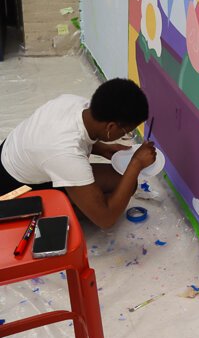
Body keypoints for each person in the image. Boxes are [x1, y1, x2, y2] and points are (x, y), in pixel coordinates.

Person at [0, 78, 156, 229]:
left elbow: (63, 135)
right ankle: (37, 217)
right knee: (111, 202)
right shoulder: (66, 154)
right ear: (110, 127)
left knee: (124, 183)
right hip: (13, 192)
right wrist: (136, 164)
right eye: (126, 133)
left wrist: (100, 148)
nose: (125, 136)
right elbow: (106, 219)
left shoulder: (73, 103)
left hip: (17, 158)